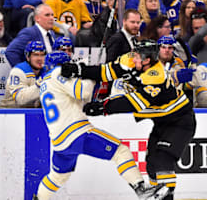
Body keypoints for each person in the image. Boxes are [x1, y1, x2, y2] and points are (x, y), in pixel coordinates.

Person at [61, 39, 196, 200]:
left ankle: (167, 198)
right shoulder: (132, 59)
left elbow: (134, 103)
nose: (133, 59)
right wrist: (79, 70)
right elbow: (106, 72)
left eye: (137, 57)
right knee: (152, 164)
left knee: (162, 159)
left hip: (180, 121)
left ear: (147, 61)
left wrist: (103, 107)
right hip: (161, 122)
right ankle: (157, 197)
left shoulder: (156, 76)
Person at [33, 50, 158, 200]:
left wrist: (87, 75)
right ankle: (141, 189)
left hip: (59, 140)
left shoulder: (44, 82)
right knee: (121, 151)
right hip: (77, 132)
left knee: (58, 177)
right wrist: (90, 74)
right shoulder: (58, 72)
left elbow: (80, 98)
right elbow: (83, 91)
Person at [0, 41, 47, 108]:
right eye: (35, 55)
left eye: (42, 55)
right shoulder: (18, 71)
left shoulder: (46, 70)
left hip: (31, 113)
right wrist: (41, 84)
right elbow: (21, 99)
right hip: (9, 113)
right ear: (27, 57)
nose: (39, 59)